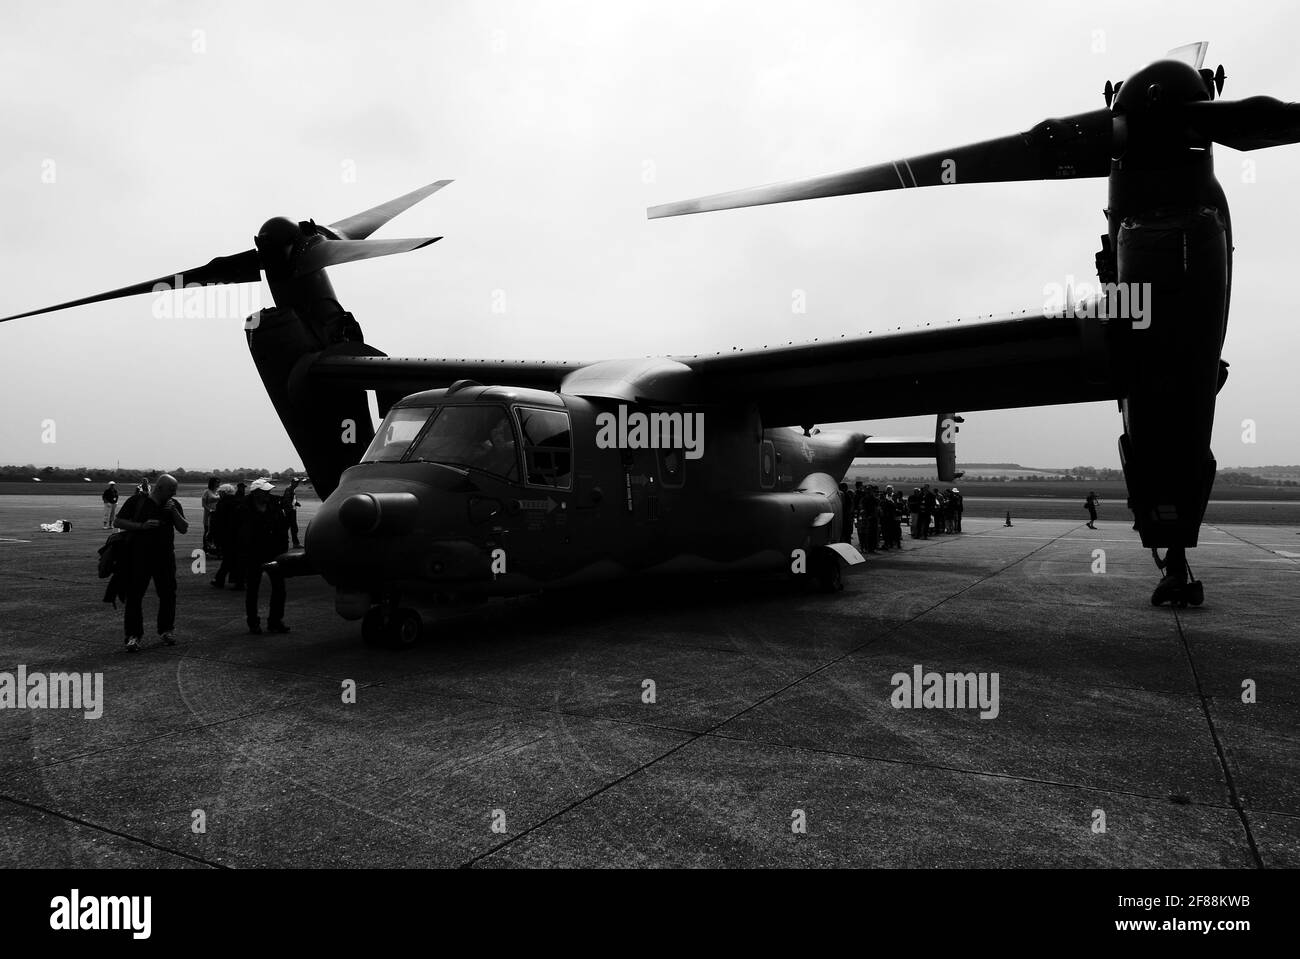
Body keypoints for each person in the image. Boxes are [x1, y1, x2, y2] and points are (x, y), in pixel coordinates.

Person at [114, 473, 188, 652]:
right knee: (134, 596)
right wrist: (142, 526)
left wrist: (174, 511)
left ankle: (166, 630)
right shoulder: (137, 501)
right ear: (160, 488)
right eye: (172, 490)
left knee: (168, 594)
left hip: (165, 558)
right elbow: (118, 521)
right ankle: (133, 635)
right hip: (140, 557)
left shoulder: (173, 505)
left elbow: (184, 528)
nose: (174, 493)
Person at [238, 478, 294, 634]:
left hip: (273, 553)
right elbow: (238, 533)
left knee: (279, 588)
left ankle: (275, 621)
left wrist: (282, 549)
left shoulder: (273, 506)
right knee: (252, 590)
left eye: (269, 491)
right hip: (253, 554)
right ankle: (253, 623)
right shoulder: (243, 508)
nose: (268, 494)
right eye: (265, 492)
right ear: (256, 493)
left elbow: (283, 528)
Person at [210, 484, 242, 588]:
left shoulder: (223, 503)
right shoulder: (238, 501)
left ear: (224, 492)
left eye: (220, 492)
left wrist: (214, 536)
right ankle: (235, 580)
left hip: (226, 535)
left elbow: (218, 522)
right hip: (237, 535)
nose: (219, 494)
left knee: (228, 558)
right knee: (233, 558)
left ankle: (221, 580)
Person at [201, 477, 221, 551]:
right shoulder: (207, 492)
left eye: (219, 482)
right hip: (209, 514)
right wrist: (209, 510)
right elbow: (203, 504)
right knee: (207, 530)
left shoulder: (218, 492)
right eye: (217, 482)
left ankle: (213, 547)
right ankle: (205, 547)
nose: (218, 484)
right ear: (212, 483)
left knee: (215, 531)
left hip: (217, 514)